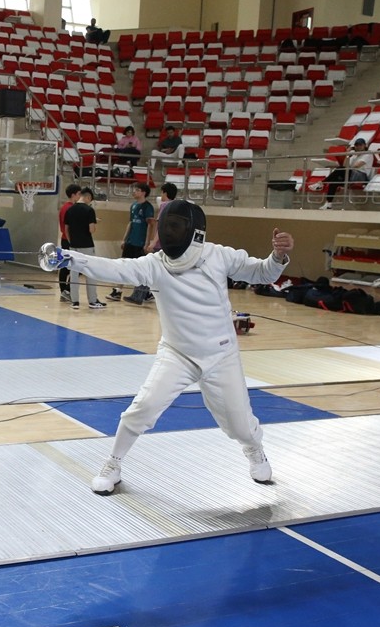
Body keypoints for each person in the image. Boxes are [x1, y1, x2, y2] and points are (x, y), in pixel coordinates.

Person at [40, 203, 294, 493]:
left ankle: (254, 450)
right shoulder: (155, 264)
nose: (170, 232)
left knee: (240, 425)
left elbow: (263, 273)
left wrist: (278, 256)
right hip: (178, 353)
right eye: (167, 226)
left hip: (221, 355)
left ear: (194, 232)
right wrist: (68, 257)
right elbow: (114, 268)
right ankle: (113, 463)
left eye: (176, 226)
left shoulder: (219, 255)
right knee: (143, 408)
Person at [108, 183, 155, 304]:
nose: (134, 192)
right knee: (123, 265)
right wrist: (124, 239)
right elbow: (130, 223)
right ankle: (117, 291)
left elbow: (150, 225)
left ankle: (145, 294)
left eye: (137, 190)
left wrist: (147, 242)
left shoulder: (148, 207)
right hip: (130, 241)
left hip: (140, 243)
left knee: (140, 269)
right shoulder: (133, 205)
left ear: (144, 192)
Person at [65, 187, 105, 310]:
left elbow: (66, 229)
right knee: (90, 272)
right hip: (87, 245)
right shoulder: (89, 210)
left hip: (73, 246)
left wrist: (71, 242)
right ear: (88, 197)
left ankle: (75, 301)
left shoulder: (70, 209)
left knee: (74, 274)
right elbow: (91, 229)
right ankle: (92, 300)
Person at [320, 137, 375, 209]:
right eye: (357, 145)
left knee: (340, 169)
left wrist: (346, 168)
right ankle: (328, 204)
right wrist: (347, 155)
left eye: (360, 145)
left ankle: (322, 183)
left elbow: (356, 166)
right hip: (351, 174)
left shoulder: (368, 154)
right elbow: (345, 166)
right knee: (334, 181)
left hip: (361, 175)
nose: (358, 147)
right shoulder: (354, 155)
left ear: (365, 145)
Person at [57, 183, 81, 302]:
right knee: (72, 267)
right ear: (73, 195)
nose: (80, 196)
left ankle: (65, 291)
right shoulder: (70, 208)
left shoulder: (65, 207)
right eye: (78, 194)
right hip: (69, 240)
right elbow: (68, 226)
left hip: (66, 239)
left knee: (67, 266)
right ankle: (65, 290)